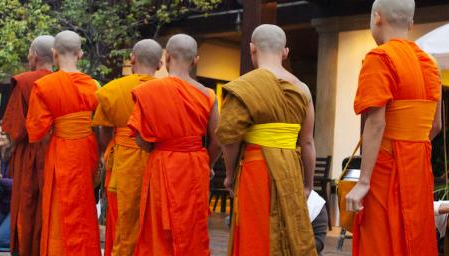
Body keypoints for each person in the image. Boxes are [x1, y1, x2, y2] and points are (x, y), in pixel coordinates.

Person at [342, 0, 443, 255]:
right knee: (415, 236)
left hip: (385, 167)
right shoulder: (429, 63)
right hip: (419, 166)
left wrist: (364, 180)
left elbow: (376, 122)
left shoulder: (380, 58)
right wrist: (409, 143)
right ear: (410, 23)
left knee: (382, 239)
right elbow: (436, 125)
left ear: (377, 17)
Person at [218, 24, 317, 255]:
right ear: (285, 52)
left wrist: (230, 175)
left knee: (257, 232)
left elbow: (229, 139)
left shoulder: (244, 87)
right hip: (291, 168)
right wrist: (308, 184)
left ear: (252, 49)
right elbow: (308, 142)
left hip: (256, 168)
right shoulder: (302, 89)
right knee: (289, 230)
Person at [129, 34, 221, 256]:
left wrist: (159, 148)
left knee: (159, 229)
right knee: (191, 226)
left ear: (167, 56)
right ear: (196, 60)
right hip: (194, 165)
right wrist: (207, 162)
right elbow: (218, 140)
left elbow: (140, 139)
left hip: (161, 163)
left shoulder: (149, 91)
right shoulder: (208, 94)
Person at [24, 30, 100, 255]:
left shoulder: (45, 86)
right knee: (83, 206)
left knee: (60, 206)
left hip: (61, 149)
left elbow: (36, 131)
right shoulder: (93, 85)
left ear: (54, 54)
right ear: (80, 55)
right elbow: (100, 123)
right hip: (87, 149)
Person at [94, 39, 161, 256]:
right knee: (151, 221)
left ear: (132, 59)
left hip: (122, 162)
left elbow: (103, 130)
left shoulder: (112, 89)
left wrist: (108, 152)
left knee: (121, 220)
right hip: (157, 161)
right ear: (160, 64)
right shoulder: (166, 90)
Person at [1, 35, 53, 256]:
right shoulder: (66, 82)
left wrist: (7, 149)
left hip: (29, 151)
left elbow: (16, 127)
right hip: (54, 151)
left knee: (27, 204)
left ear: (34, 55)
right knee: (47, 206)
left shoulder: (24, 81)